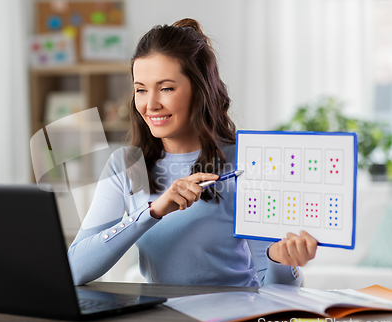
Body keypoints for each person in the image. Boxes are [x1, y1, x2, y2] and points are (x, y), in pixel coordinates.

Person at [67, 18, 318, 286]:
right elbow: (75, 268)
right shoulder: (125, 165)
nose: (150, 104)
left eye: (166, 88)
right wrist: (152, 212)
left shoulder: (245, 161)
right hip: (164, 320)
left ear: (199, 91)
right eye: (141, 90)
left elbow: (274, 286)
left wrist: (281, 261)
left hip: (233, 318)